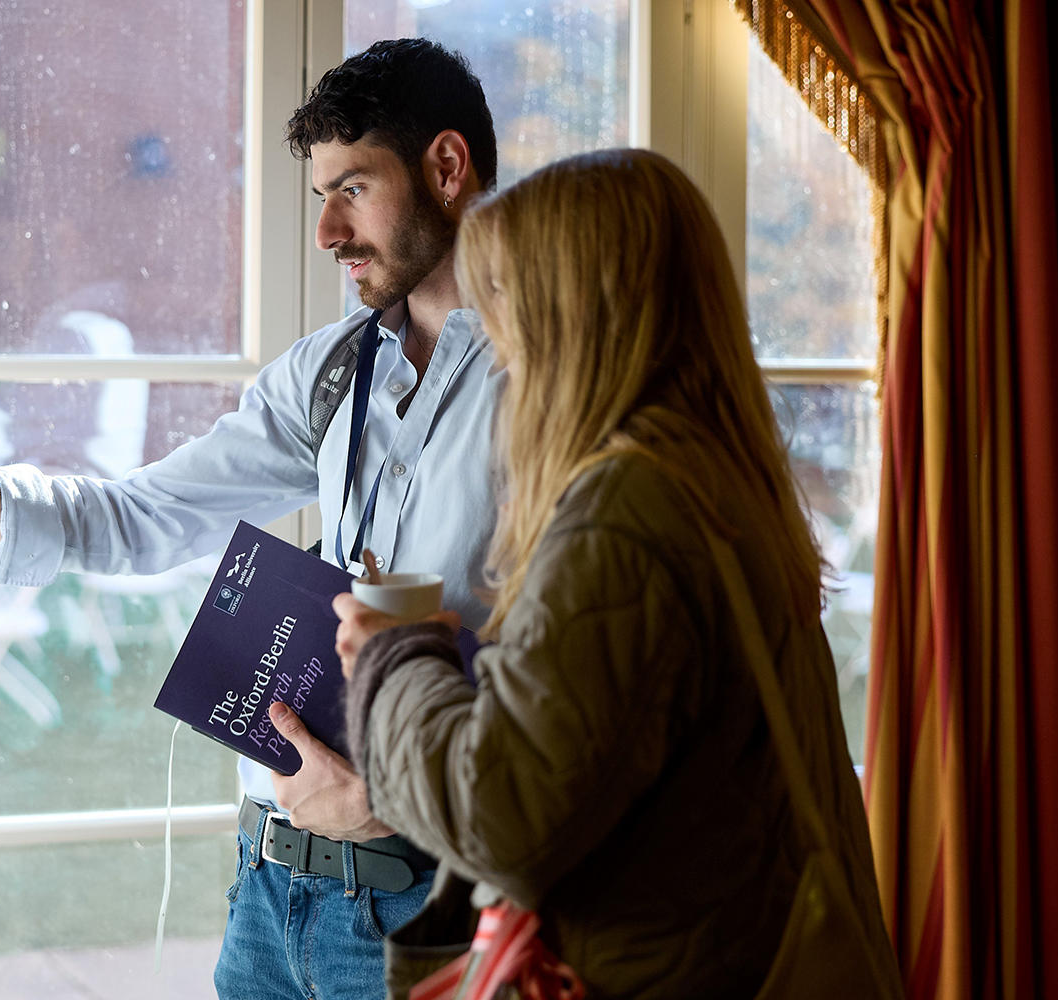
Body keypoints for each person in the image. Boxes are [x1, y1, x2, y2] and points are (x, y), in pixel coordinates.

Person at [0, 38, 504, 1000]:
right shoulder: (328, 372)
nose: (328, 230)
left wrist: (399, 798)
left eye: (354, 190)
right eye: (320, 195)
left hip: (424, 910)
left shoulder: (558, 384)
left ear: (446, 168)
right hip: (266, 894)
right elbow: (142, 514)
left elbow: (582, 673)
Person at [333, 149, 899, 998]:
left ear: (575, 316)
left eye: (509, 303)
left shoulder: (622, 512)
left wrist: (395, 658)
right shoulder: (710, 478)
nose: (499, 351)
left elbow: (503, 820)